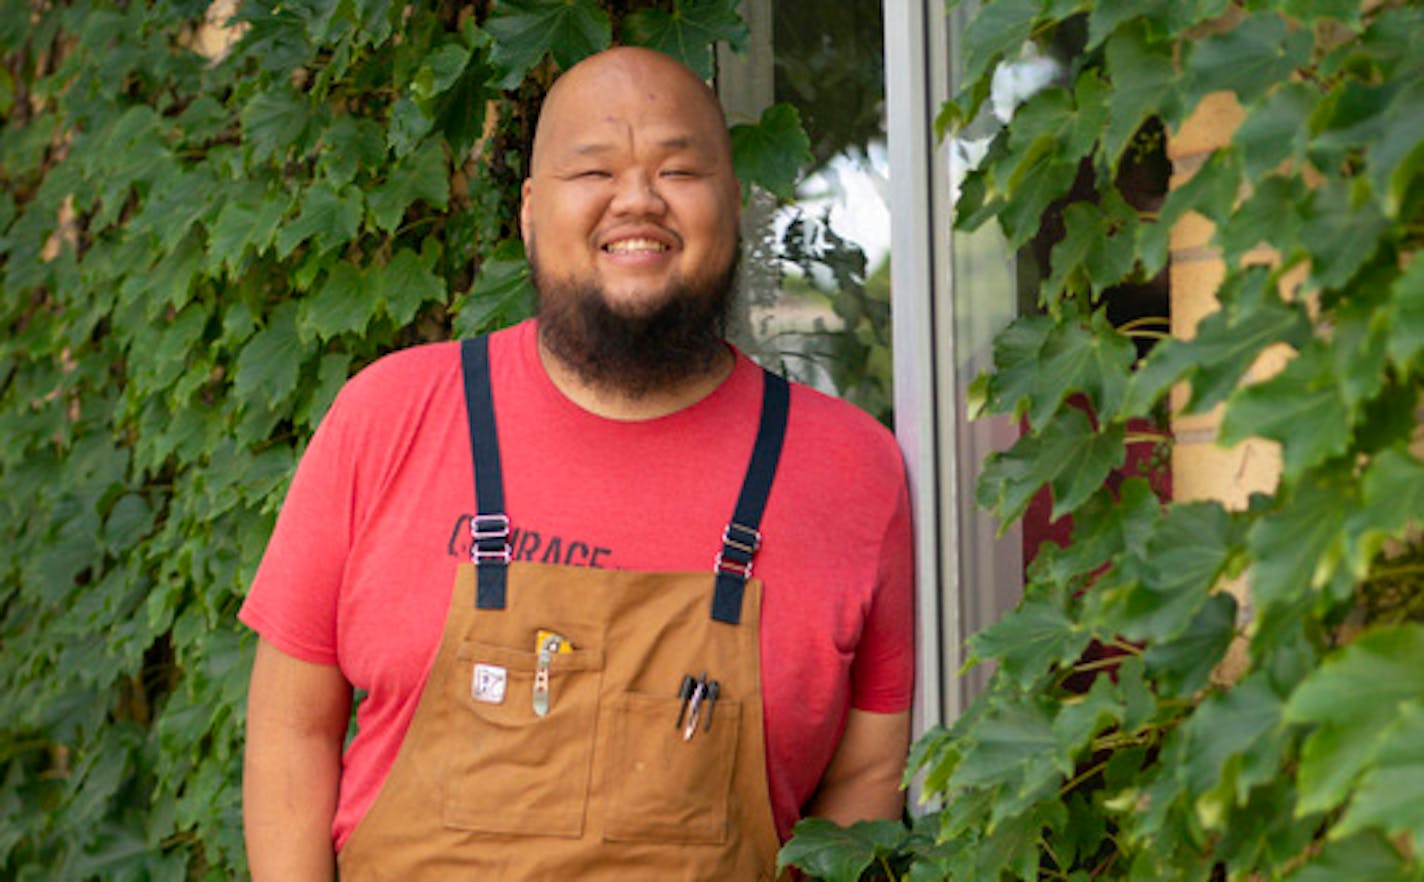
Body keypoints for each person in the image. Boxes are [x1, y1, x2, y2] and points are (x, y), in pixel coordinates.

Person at [240, 45, 914, 881]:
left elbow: (865, 774)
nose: (637, 200)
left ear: (736, 204)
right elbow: (291, 731)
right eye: (593, 169)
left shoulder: (854, 470)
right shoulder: (387, 419)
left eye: (678, 168)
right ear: (528, 209)